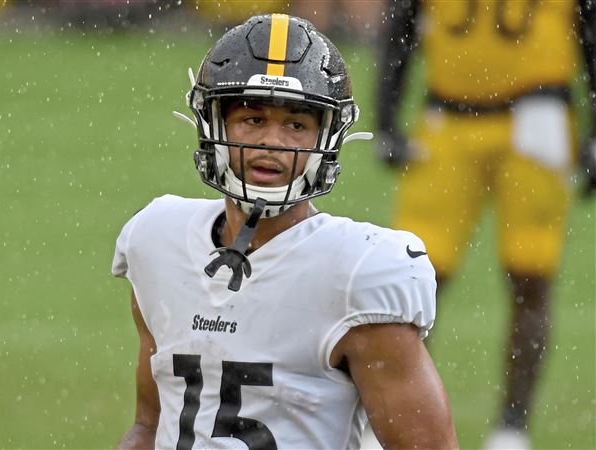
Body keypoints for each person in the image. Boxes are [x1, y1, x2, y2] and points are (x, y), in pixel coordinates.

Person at [112, 13, 459, 450]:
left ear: (327, 137)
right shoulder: (156, 240)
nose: (271, 142)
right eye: (252, 119)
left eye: (295, 125)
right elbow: (149, 426)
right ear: (214, 123)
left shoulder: (358, 271)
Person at [375, 1, 596, 449]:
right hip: (449, 116)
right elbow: (402, 19)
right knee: (411, 281)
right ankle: (405, 422)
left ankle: (512, 429)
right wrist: (386, 116)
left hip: (536, 115)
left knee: (530, 273)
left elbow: (589, 32)